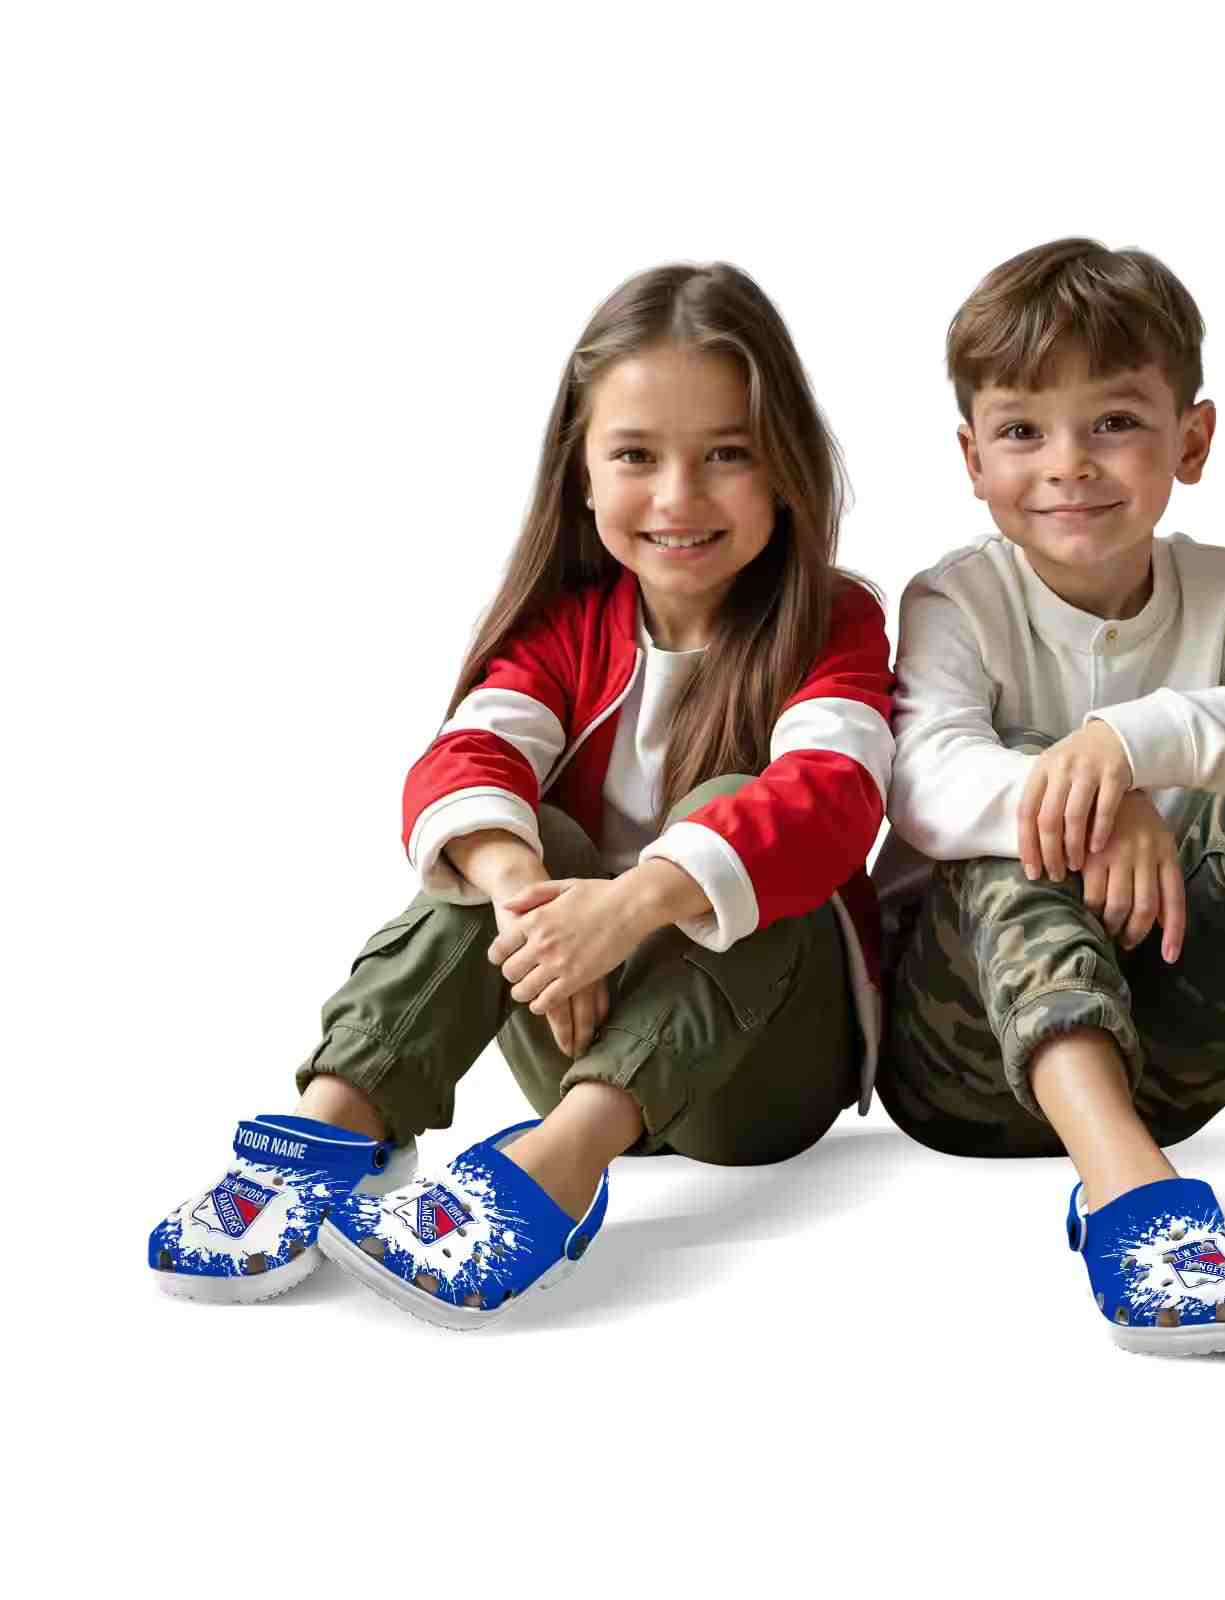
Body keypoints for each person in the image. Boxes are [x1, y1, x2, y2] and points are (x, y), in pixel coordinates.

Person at [150, 262, 894, 1329]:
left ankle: (562, 1165)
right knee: (510, 834)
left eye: (727, 454)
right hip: (575, 1023)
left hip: (761, 1084)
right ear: (580, 474)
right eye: (636, 456)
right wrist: (520, 892)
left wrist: (630, 906)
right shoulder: (562, 629)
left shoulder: (834, 622)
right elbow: (465, 758)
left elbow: (835, 794)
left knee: (745, 811)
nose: (678, 497)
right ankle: (344, 1112)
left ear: (786, 468)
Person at [872, 238, 1225, 1355]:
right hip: (968, 1065)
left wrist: (1138, 740)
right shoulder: (958, 599)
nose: (1069, 465)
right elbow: (923, 781)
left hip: (1177, 1059)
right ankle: (1126, 1191)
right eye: (1023, 432)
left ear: (1192, 440)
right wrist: (1092, 792)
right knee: (1015, 822)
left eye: (1114, 422)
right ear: (972, 458)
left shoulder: (1223, 591)